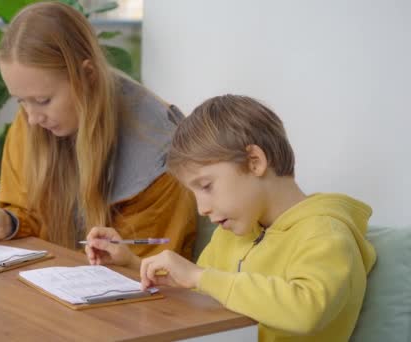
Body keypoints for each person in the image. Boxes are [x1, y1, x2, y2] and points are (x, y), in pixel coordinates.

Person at [85, 95, 376, 341]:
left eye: (207, 186)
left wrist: (199, 276)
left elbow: (306, 310)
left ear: (254, 162)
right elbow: (199, 290)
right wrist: (133, 264)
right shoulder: (233, 233)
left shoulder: (325, 233)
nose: (201, 209)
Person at [0, 1, 196, 258]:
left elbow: (151, 270)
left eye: (43, 100)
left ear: (87, 75)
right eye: (21, 101)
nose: (32, 118)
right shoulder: (32, 122)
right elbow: (29, 215)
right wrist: (8, 223)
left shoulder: (159, 154)